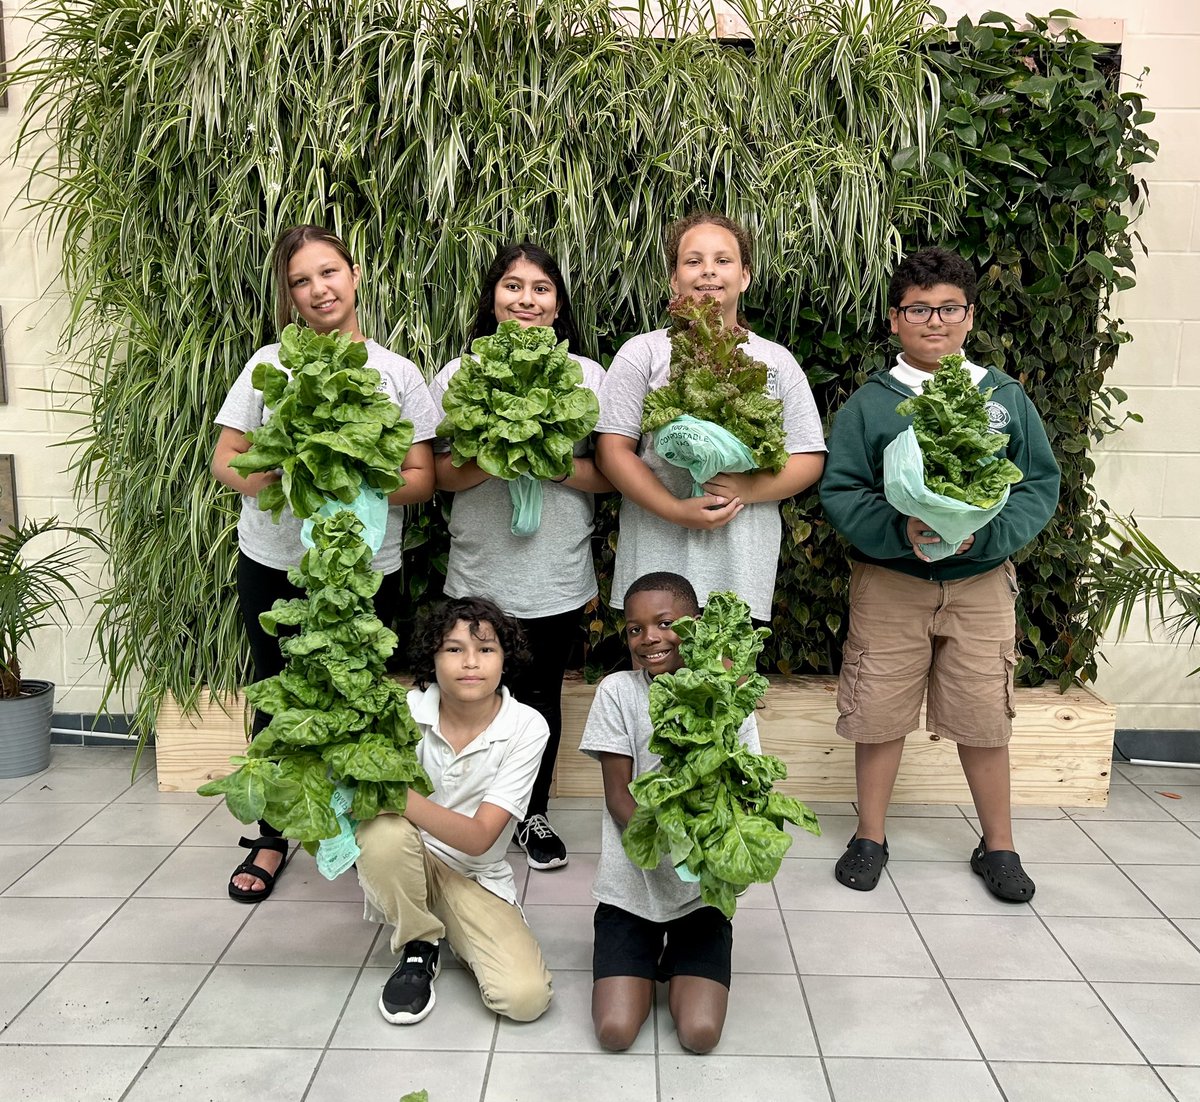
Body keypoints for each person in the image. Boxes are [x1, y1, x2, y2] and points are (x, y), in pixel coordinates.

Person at [819, 246, 1060, 901]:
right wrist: (900, 530)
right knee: (878, 713)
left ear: (969, 315)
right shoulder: (871, 404)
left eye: (948, 308)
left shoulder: (1001, 395)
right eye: (919, 309)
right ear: (894, 318)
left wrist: (987, 533)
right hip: (890, 584)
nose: (935, 321)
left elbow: (1038, 482)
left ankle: (999, 844)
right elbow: (841, 490)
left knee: (985, 716)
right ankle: (870, 835)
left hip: (981, 585)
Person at [212, 223, 438, 902]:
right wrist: (288, 475)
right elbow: (226, 461)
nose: (318, 290)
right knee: (279, 693)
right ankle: (274, 835)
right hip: (275, 560)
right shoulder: (267, 365)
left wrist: (353, 474)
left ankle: (360, 827)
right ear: (289, 296)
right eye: (301, 281)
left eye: (328, 272)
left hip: (363, 567)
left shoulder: (397, 373)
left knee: (360, 691)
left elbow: (422, 479)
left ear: (356, 273)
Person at [430, 242, 612, 871]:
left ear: (558, 304)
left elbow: (610, 476)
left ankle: (531, 813)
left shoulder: (588, 377)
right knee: (470, 692)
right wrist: (492, 455)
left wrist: (550, 461)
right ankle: (464, 811)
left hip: (556, 573)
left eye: (541, 288)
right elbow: (437, 479)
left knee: (540, 700)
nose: (526, 300)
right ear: (492, 298)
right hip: (479, 571)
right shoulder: (458, 375)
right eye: (512, 286)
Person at [595, 211, 826, 624]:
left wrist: (747, 488)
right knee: (657, 682)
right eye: (693, 261)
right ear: (673, 279)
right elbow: (612, 452)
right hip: (655, 560)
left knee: (729, 681)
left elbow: (808, 457)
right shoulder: (642, 353)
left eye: (723, 261)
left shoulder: (776, 361)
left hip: (739, 567)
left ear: (746, 276)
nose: (708, 272)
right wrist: (674, 508)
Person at [579, 571, 759, 1054]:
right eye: (635, 629)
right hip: (629, 889)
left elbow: (748, 792)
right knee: (615, 1032)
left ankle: (682, 952)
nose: (649, 638)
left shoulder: (730, 695)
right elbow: (620, 798)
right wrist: (682, 843)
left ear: (697, 626)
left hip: (700, 896)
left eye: (664, 623)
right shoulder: (617, 691)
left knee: (699, 1035)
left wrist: (717, 858)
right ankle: (640, 950)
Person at [355, 596, 554, 1026]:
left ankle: (452, 921)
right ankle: (419, 944)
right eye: (454, 649)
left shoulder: (527, 726)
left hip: (476, 872)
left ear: (505, 659)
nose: (470, 662)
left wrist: (396, 794)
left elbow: (482, 837)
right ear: (433, 656)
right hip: (407, 854)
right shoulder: (404, 710)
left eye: (486, 649)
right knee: (381, 833)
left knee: (525, 999)